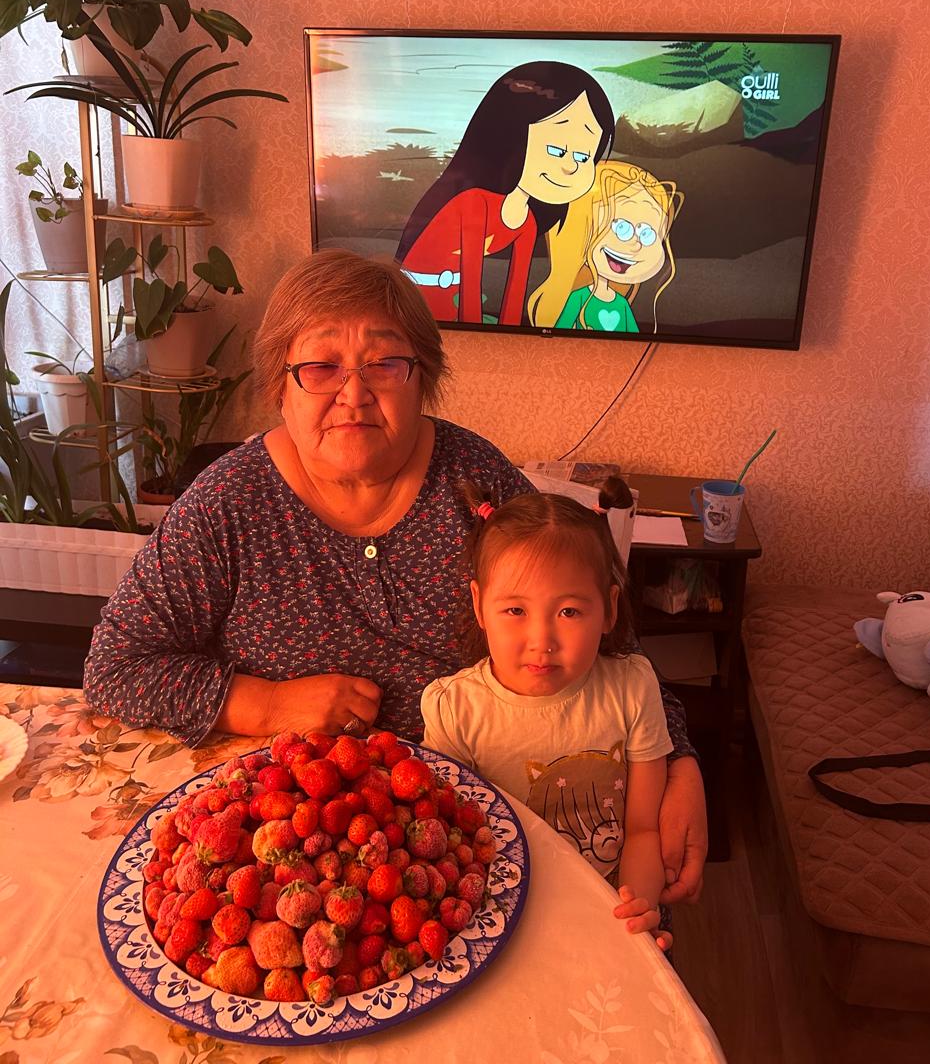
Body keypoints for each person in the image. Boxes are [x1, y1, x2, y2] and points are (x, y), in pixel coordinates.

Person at [83, 248, 706, 906]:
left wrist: (681, 761)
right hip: (300, 844)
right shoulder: (228, 503)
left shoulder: (475, 480)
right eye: (320, 366)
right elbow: (116, 667)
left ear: (422, 379)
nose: (354, 394)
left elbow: (605, 637)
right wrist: (267, 704)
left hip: (482, 826)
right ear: (279, 386)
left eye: (383, 363)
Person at [421, 480, 674, 948]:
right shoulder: (454, 710)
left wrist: (636, 909)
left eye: (570, 612)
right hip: (502, 922)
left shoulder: (633, 688)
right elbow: (454, 848)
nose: (542, 640)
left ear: (609, 609)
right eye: (515, 610)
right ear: (479, 605)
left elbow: (643, 829)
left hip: (605, 910)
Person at [395, 61, 615, 326]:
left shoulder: (527, 221)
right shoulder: (473, 204)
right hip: (414, 308)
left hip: (455, 308)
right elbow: (471, 286)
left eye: (582, 157)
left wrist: (512, 336)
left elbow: (515, 292)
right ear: (510, 138)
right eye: (556, 151)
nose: (570, 166)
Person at [527, 159, 684, 334]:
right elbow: (561, 331)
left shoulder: (621, 304)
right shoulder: (578, 298)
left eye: (647, 234)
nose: (635, 244)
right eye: (621, 227)